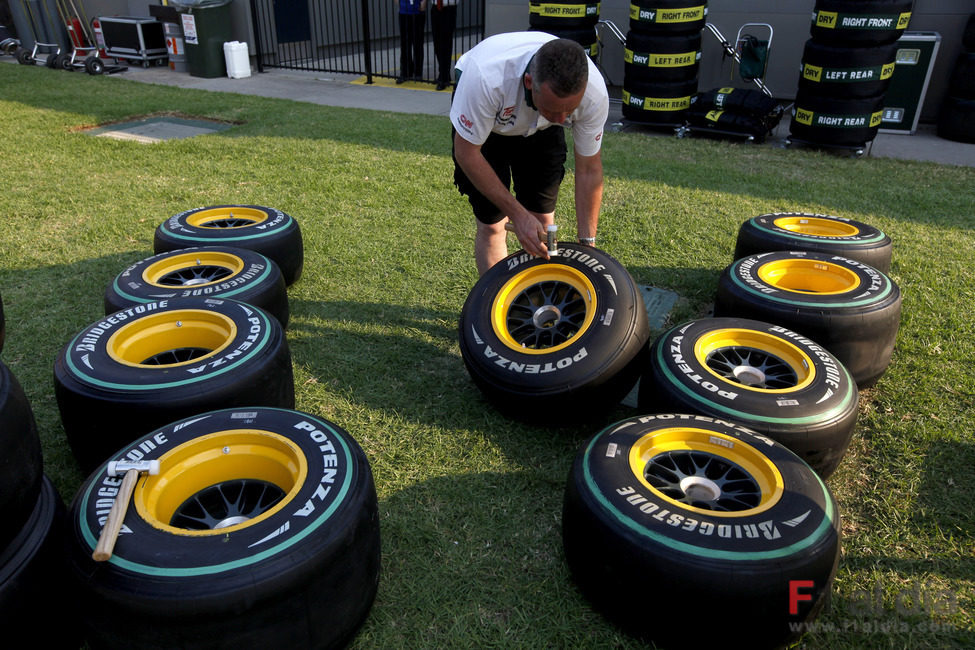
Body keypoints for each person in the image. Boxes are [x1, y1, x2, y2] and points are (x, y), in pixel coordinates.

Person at [450, 32, 609, 275]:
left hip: (541, 129)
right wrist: (517, 214)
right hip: (488, 129)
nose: (563, 120)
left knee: (543, 221)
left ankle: (539, 302)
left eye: (570, 110)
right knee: (494, 225)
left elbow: (589, 169)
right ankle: (497, 308)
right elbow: (467, 153)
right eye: (554, 109)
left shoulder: (593, 94)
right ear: (528, 82)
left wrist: (588, 244)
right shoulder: (486, 79)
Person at [429, 0, 457, 90]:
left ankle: (443, 77)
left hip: (449, 7)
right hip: (435, 7)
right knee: (437, 43)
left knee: (446, 43)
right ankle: (443, 73)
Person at [397, 0, 426, 83]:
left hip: (418, 11)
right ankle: (405, 72)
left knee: (418, 43)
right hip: (404, 10)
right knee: (405, 43)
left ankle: (418, 73)